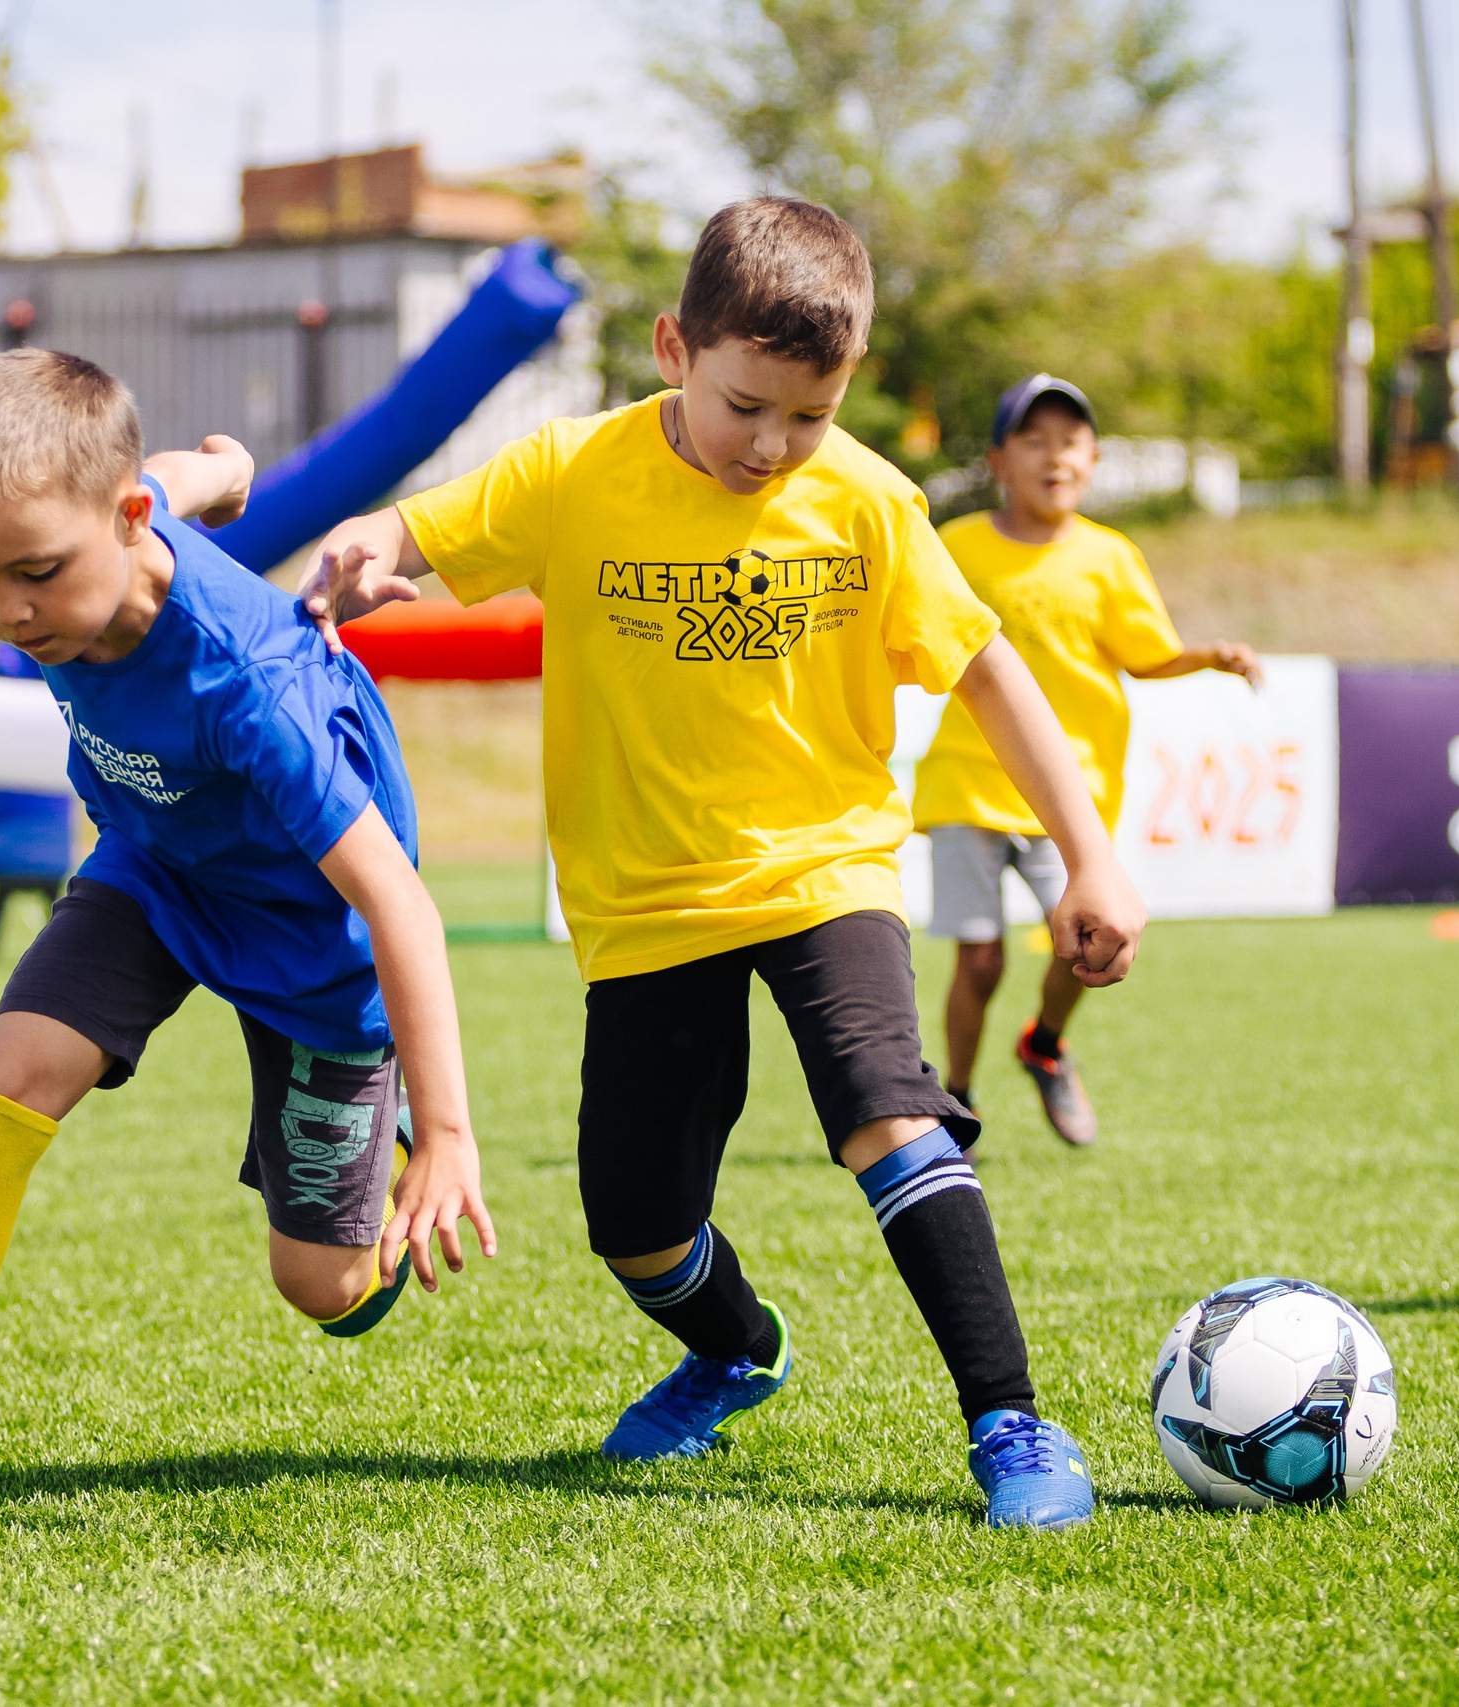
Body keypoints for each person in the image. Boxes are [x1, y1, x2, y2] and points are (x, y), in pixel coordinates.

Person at [301, 197, 1145, 1529]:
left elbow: (992, 671)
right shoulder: (571, 469)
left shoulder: (867, 500)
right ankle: (734, 1347)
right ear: (671, 349)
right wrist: (364, 553)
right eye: (748, 405)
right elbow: (416, 534)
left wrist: (1092, 854)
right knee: (633, 1223)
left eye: (811, 414)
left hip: (827, 871)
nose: (776, 444)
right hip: (643, 903)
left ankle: (1013, 1421)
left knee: (887, 1109)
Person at [0, 350, 493, 1527]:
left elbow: (397, 904)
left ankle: (351, 1230)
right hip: (155, 869)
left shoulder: (247, 683)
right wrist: (225, 467)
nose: (9, 612)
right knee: (3, 1084)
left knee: (319, 1285)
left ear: (122, 524)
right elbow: (181, 474)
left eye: (33, 575)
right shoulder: (114, 518)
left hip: (312, 939)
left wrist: (446, 1136)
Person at [911, 374, 1261, 1147]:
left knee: (1091, 941)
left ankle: (1044, 1044)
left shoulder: (1111, 555)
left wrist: (1208, 654)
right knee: (979, 960)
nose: (1054, 455)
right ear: (999, 459)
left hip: (1070, 796)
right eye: (1033, 439)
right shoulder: (956, 545)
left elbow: (1148, 654)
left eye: (1069, 440)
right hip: (967, 778)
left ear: (1094, 459)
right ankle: (957, 1105)